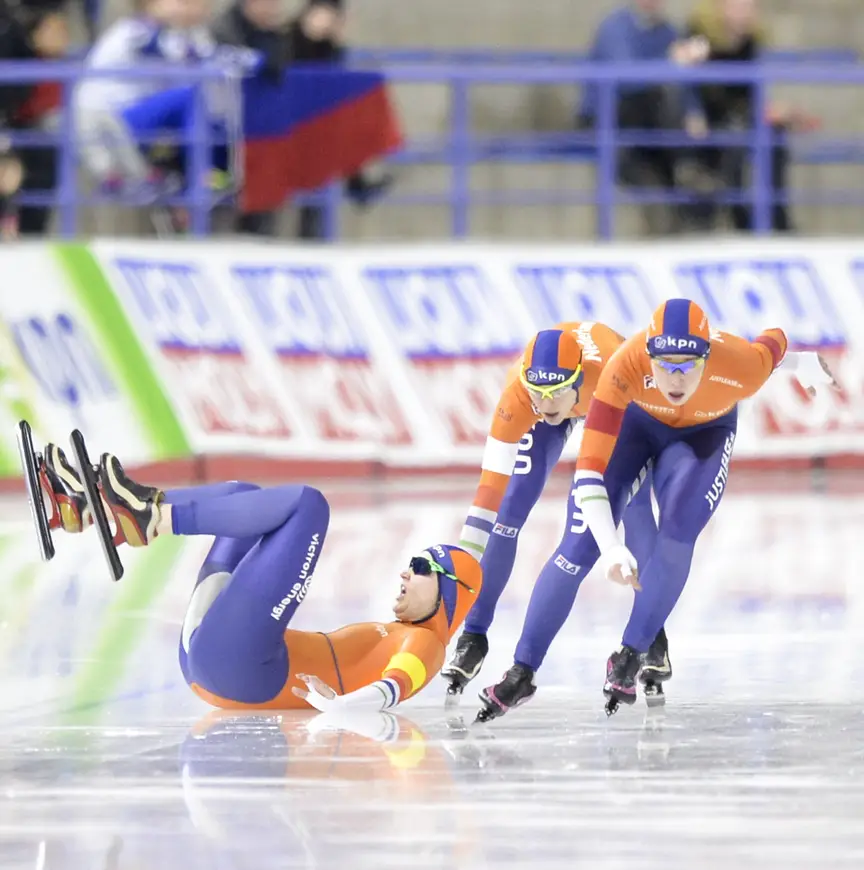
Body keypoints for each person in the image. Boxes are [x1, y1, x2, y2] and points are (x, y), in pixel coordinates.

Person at [34, 444, 482, 712]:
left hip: (244, 671)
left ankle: (148, 516)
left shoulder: (425, 644)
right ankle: (93, 509)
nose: (406, 570)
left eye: (421, 567)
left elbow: (396, 686)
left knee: (308, 506)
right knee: (241, 497)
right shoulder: (400, 633)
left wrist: (341, 706)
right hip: (216, 662)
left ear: (451, 592)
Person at [563, 298, 836, 712]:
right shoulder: (627, 363)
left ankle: (632, 651)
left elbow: (774, 341)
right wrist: (609, 546)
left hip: (703, 434)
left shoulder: (743, 365)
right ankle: (654, 641)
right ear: (649, 356)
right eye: (665, 364)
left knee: (678, 529)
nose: (676, 378)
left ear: (707, 357)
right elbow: (588, 470)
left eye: (688, 364)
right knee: (634, 511)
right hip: (640, 424)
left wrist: (803, 362)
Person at [442, 323, 668, 718]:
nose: (546, 403)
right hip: (572, 392)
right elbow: (486, 498)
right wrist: (459, 573)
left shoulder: (614, 376)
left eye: (556, 391)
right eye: (538, 392)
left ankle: (650, 634)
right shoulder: (518, 398)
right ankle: (474, 636)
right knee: (506, 511)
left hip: (614, 404)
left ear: (576, 380)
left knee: (618, 515)